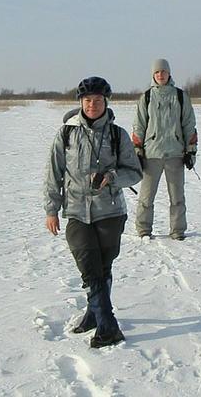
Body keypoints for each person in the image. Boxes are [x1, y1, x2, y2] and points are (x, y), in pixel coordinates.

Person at [44, 76, 142, 348]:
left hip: (110, 212)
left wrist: (111, 176)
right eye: (87, 100)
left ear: (105, 102)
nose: (92, 105)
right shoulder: (66, 133)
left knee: (103, 267)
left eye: (97, 100)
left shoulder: (117, 134)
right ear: (80, 103)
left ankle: (93, 313)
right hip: (76, 211)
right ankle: (108, 325)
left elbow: (135, 173)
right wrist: (51, 209)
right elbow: (53, 173)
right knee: (89, 267)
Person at [132, 58, 197, 240]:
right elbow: (138, 127)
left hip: (175, 154)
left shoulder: (181, 97)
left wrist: (191, 150)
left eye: (164, 72)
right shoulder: (145, 98)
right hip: (151, 155)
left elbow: (189, 125)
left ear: (169, 73)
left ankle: (177, 231)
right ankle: (144, 230)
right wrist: (137, 151)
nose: (161, 75)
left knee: (177, 198)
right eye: (157, 72)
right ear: (153, 75)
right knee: (146, 198)